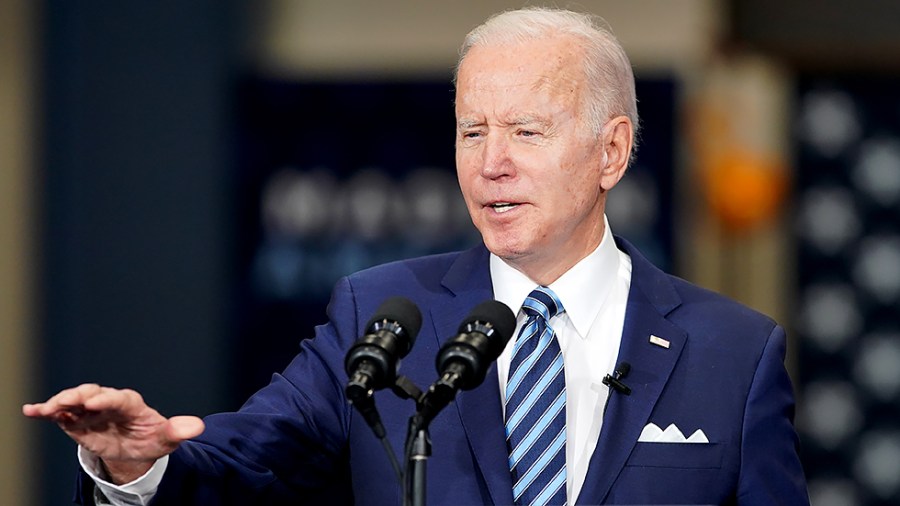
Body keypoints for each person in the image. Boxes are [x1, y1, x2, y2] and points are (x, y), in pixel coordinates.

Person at [24, 7, 809, 505]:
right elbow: (263, 450)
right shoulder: (379, 312)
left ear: (612, 151)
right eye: (473, 131)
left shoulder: (733, 354)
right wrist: (139, 463)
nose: (490, 162)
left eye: (526, 132)